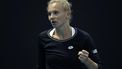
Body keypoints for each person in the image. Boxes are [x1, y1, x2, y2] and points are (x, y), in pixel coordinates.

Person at [37, 0, 102, 69]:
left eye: (56, 12)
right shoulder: (42, 37)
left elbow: (99, 68)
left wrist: (87, 61)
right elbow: (40, 67)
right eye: (49, 14)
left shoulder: (84, 37)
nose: (51, 17)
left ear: (67, 14)